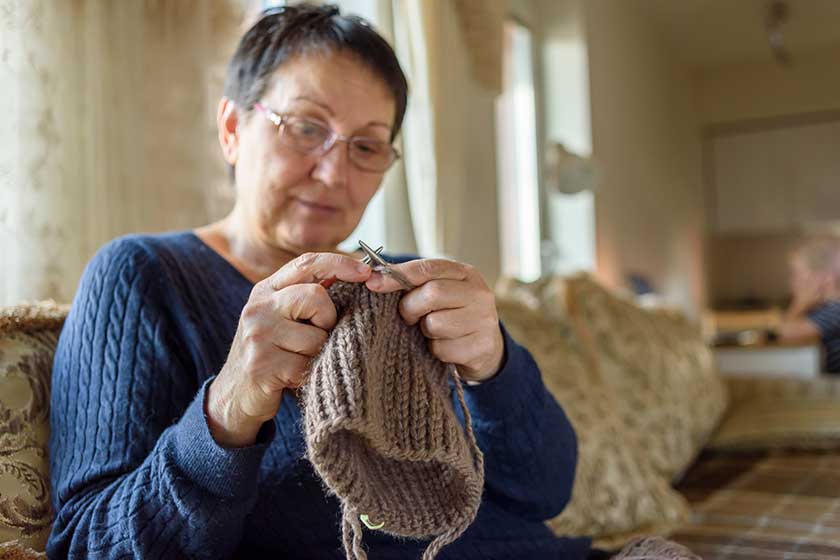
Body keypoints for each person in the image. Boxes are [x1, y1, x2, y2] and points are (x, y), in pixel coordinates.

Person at [47, 4, 590, 558]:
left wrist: (496, 370)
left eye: (366, 146)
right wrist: (229, 408)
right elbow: (88, 544)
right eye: (306, 128)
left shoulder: (408, 287)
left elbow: (548, 492)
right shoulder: (143, 276)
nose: (334, 174)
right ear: (232, 129)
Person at [778, 236, 840, 373]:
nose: (791, 281)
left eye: (795, 274)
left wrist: (799, 304)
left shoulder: (835, 310)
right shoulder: (825, 307)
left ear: (824, 278)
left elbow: (785, 332)